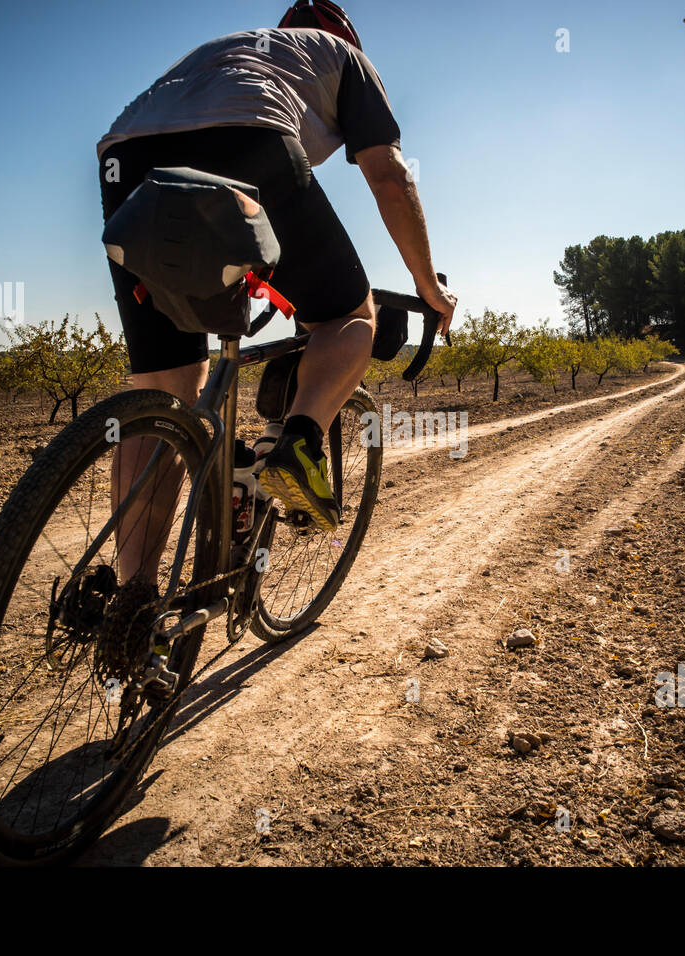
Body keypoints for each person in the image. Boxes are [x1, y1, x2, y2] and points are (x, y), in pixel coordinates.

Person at [98, 0, 456, 587]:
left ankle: (131, 604)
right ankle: (298, 443)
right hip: (249, 142)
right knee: (349, 314)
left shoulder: (227, 49)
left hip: (127, 160)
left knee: (165, 392)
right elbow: (389, 174)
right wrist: (427, 283)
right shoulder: (346, 59)